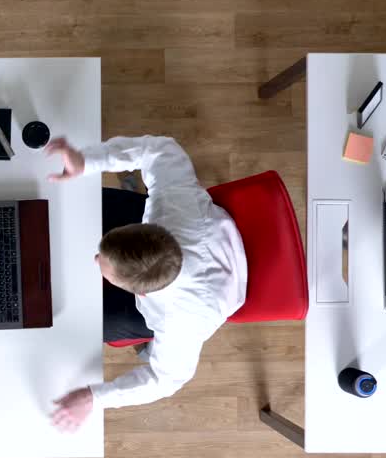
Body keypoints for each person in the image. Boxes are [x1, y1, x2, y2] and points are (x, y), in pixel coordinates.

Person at [46, 135, 247, 431]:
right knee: (91, 202)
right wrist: (87, 161)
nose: (93, 260)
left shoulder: (179, 321)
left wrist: (93, 398)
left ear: (139, 292)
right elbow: (160, 149)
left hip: (211, 289)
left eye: (102, 266)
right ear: (146, 226)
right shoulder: (174, 205)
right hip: (197, 230)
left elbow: (164, 381)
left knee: (97, 322)